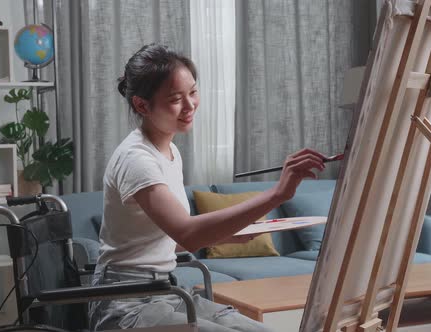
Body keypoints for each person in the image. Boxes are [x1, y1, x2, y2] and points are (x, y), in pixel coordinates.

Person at [90, 43, 327, 331]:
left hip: (167, 294)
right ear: (142, 105)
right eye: (176, 98)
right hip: (126, 305)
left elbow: (161, 241)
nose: (190, 106)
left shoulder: (169, 153)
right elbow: (187, 233)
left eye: (193, 92)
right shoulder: (136, 160)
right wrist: (278, 194)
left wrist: (224, 235)